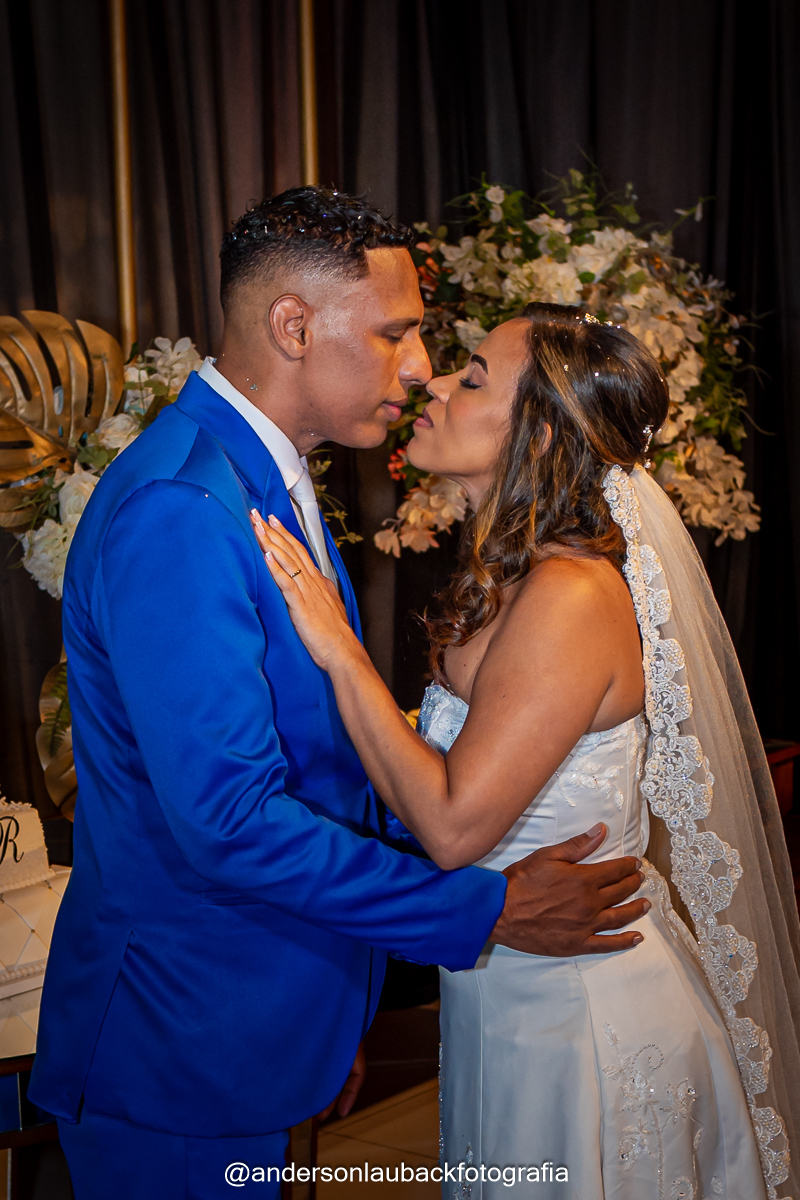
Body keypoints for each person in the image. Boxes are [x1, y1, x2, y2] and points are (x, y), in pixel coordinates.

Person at [28, 193, 649, 1200]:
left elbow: (325, 768)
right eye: (396, 332)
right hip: (184, 1047)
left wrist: (335, 989)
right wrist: (484, 909)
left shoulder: (265, 479)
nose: (419, 367)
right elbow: (229, 822)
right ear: (293, 325)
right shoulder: (183, 509)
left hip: (267, 1012)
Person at [253, 302, 800, 1198]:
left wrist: (341, 654)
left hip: (581, 1017)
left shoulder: (569, 597)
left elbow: (453, 825)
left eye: (472, 378)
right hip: (507, 992)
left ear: (539, 438)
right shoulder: (516, 577)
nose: (434, 383)